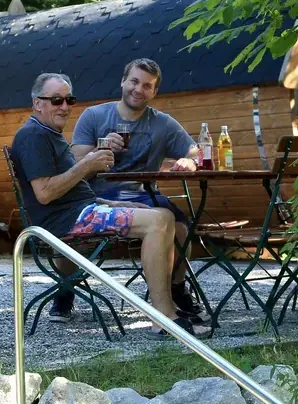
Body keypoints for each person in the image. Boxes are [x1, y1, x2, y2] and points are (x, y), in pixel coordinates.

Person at [10, 72, 210, 338]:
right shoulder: (33, 135)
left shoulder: (50, 133)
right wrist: (88, 163)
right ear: (38, 103)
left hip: (80, 211)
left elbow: (76, 195)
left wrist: (111, 202)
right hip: (63, 222)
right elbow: (45, 193)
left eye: (69, 100)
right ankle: (163, 316)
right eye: (56, 100)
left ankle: (170, 301)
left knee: (162, 214)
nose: (65, 107)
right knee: (159, 221)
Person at [69, 58, 204, 322]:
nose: (138, 89)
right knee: (69, 224)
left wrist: (190, 160)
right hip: (97, 196)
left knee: (181, 228)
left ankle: (176, 289)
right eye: (134, 81)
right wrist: (101, 148)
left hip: (145, 195)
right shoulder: (94, 116)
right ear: (123, 81)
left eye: (147, 85)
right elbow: (76, 162)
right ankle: (65, 293)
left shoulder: (162, 123)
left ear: (154, 92)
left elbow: (195, 151)